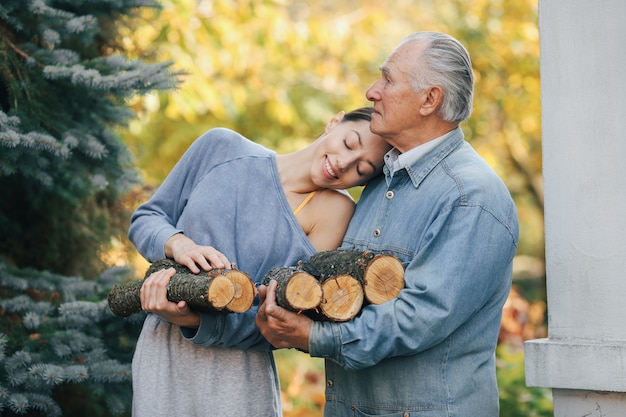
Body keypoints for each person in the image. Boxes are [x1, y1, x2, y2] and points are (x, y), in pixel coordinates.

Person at [256, 31, 520, 416]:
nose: (370, 91)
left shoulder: (471, 198)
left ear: (430, 100)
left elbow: (421, 317)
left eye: (387, 79)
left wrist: (317, 338)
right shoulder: (380, 182)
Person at [127, 106, 391, 417]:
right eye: (349, 143)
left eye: (362, 169)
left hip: (239, 377)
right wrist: (178, 243)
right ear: (335, 121)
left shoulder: (334, 212)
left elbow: (279, 321)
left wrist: (193, 321)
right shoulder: (221, 147)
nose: (344, 163)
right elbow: (147, 218)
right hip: (163, 357)